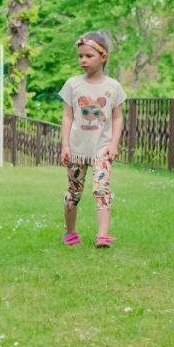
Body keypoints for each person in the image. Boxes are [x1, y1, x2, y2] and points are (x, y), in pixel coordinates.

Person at [59, 32, 127, 249]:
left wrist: (114, 144)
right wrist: (65, 145)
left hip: (102, 149)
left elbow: (117, 117)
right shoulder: (72, 85)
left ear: (103, 57)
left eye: (89, 56)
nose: (83, 60)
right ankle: (70, 233)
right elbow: (68, 116)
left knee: (102, 188)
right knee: (74, 191)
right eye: (80, 56)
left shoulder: (113, 87)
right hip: (77, 149)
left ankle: (103, 236)